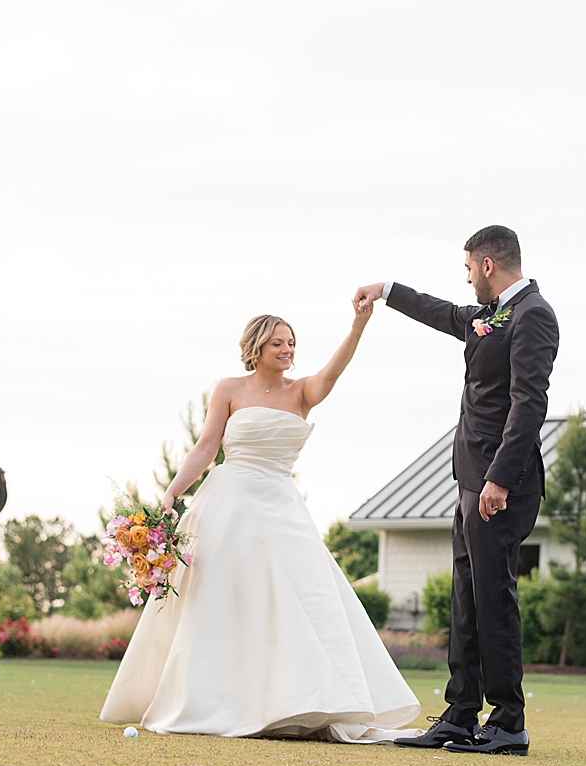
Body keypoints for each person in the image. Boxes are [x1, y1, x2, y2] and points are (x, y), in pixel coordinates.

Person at [100, 302, 422, 743]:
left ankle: (312, 698)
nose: (287, 350)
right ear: (256, 347)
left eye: (291, 343)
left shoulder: (303, 392)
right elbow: (205, 447)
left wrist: (357, 325)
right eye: (277, 343)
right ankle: (215, 698)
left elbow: (334, 371)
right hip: (228, 500)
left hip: (282, 503)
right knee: (222, 600)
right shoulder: (229, 388)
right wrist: (173, 492)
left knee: (312, 595)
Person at [352, 225, 558, 756]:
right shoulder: (486, 316)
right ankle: (461, 714)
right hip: (471, 479)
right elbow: (440, 311)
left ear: (488, 265)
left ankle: (508, 720)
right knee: (465, 599)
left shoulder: (533, 314)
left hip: (500, 484)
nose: (466, 280)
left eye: (469, 269)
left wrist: (499, 478)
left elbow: (528, 403)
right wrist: (387, 290)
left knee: (494, 598)